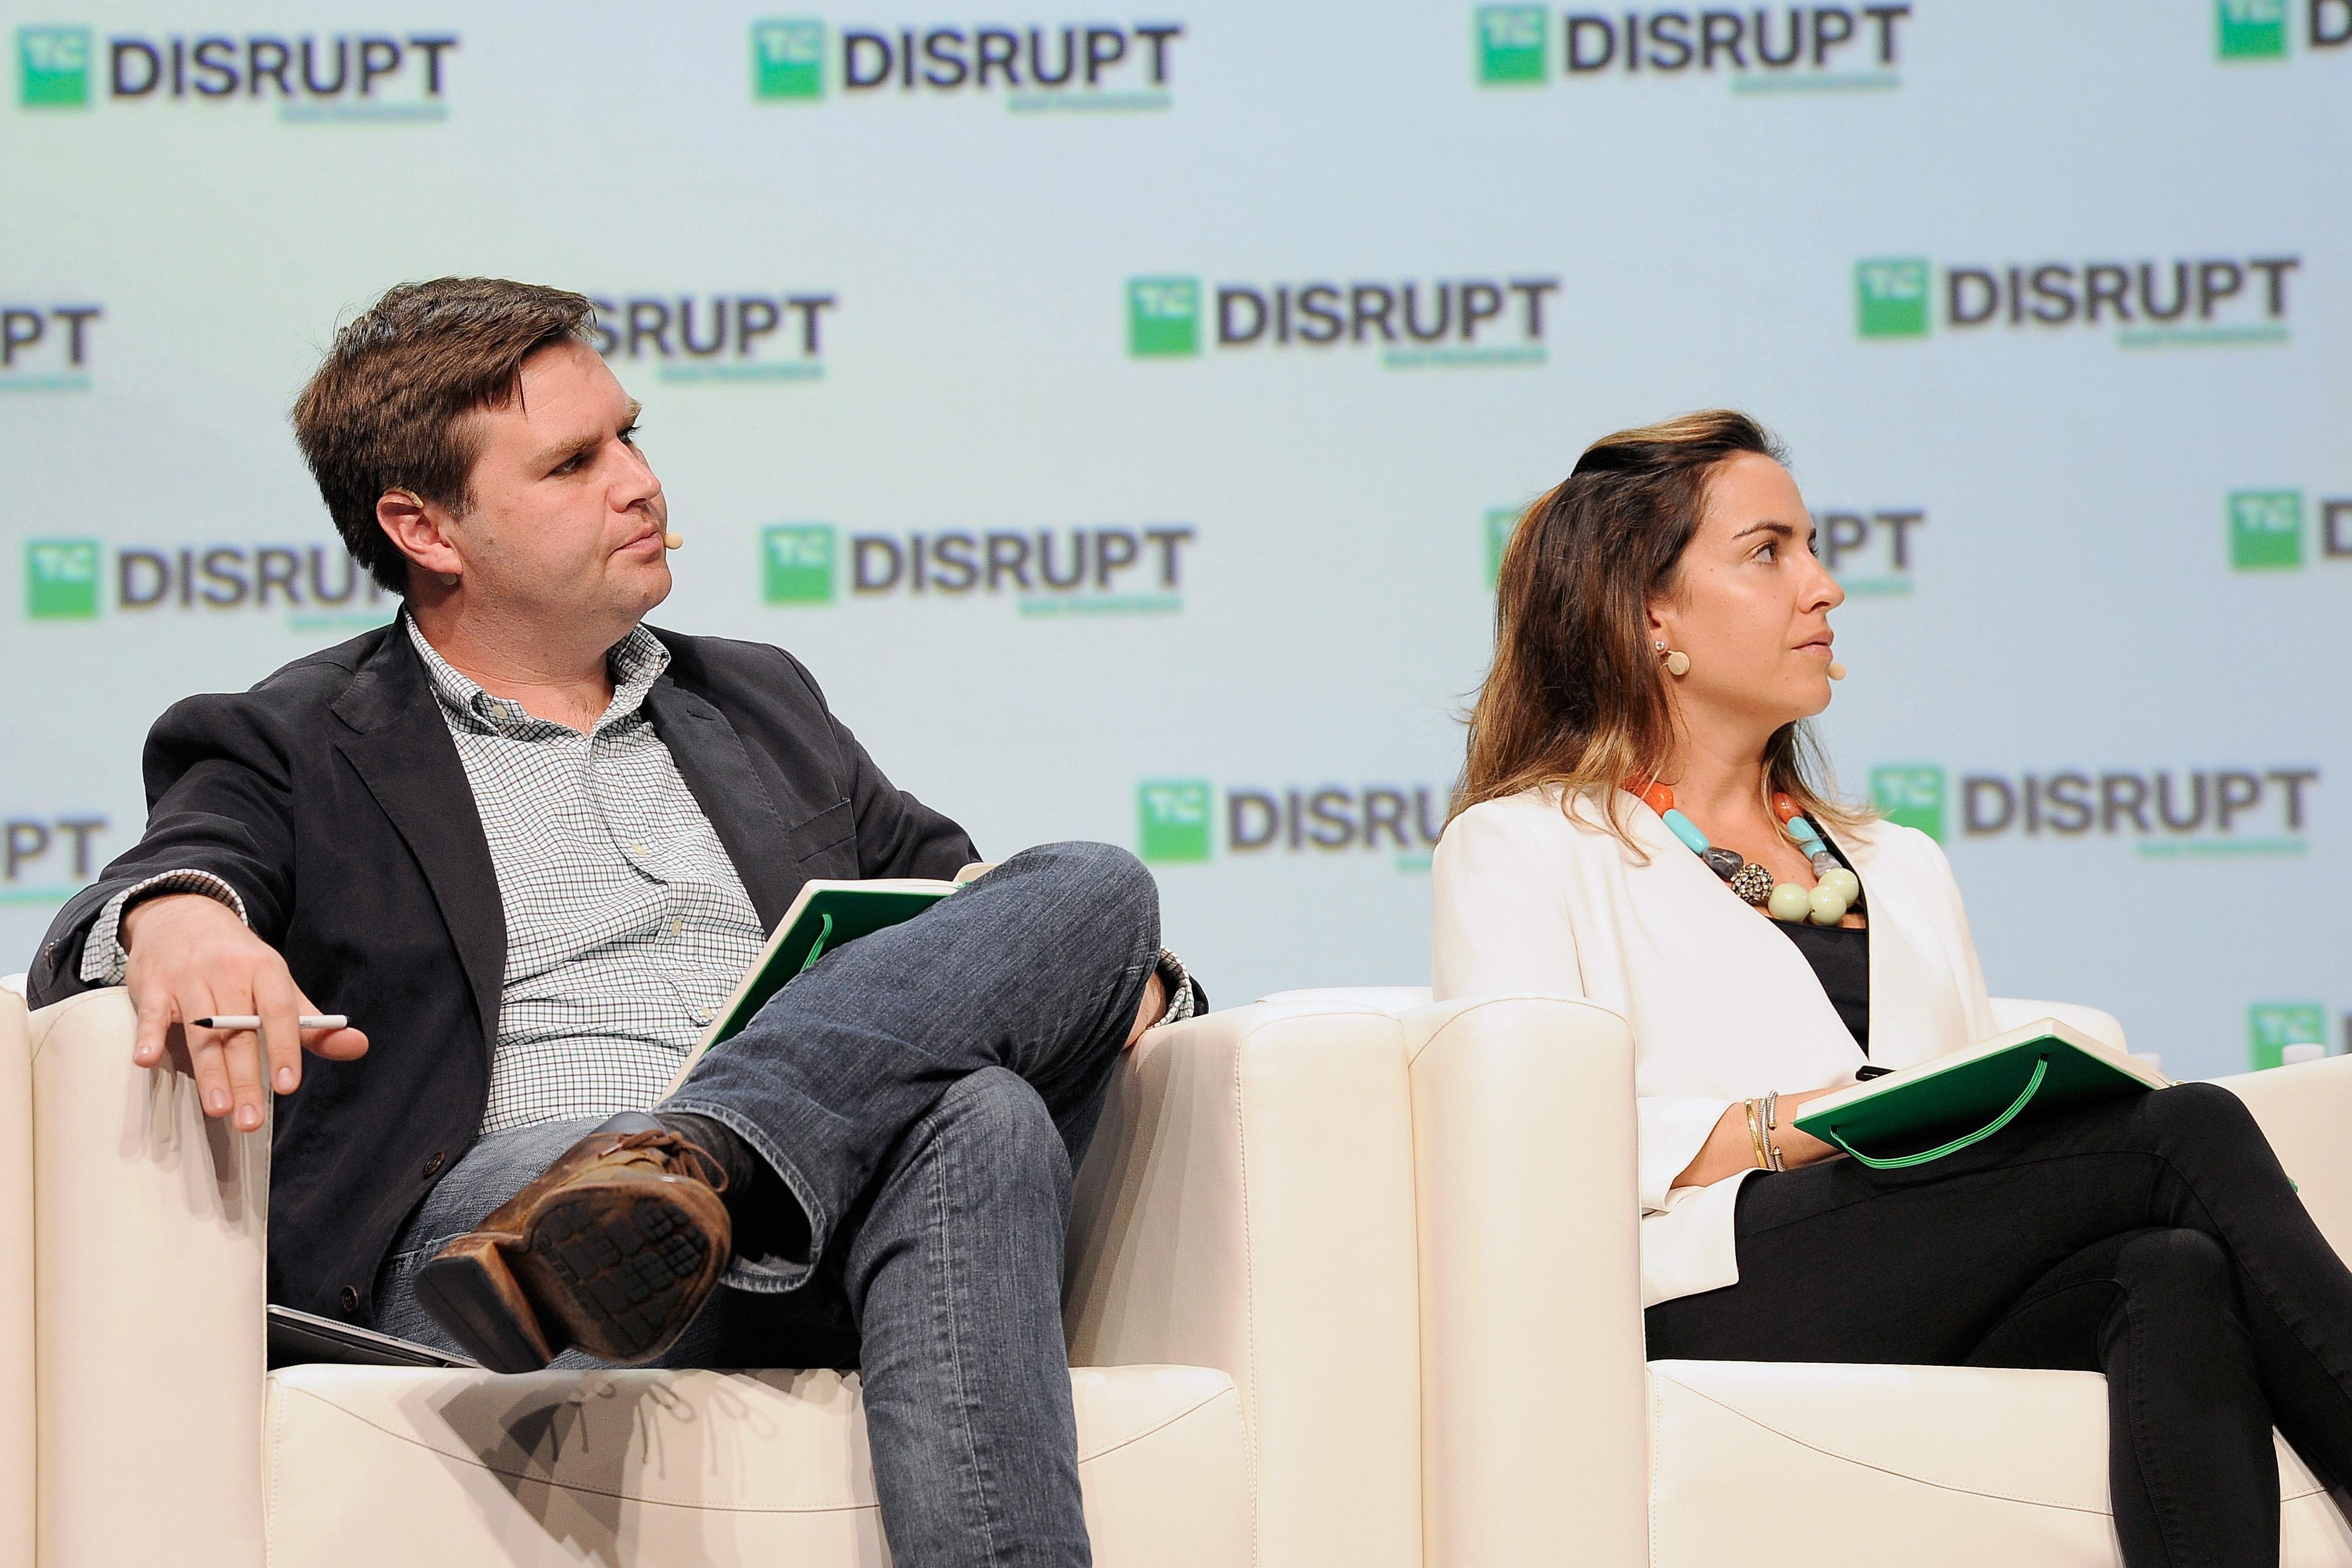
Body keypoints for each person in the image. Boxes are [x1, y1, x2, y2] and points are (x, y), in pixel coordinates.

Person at [26, 277, 1201, 1568]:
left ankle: (694, 1155)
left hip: (797, 1216)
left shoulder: (757, 701)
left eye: (631, 436)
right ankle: (644, 1185)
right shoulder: (293, 736)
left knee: (1092, 888)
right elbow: (136, 895)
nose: (637, 482)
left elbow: (960, 902)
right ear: (426, 527)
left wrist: (1121, 982)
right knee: (979, 1115)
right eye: (574, 462)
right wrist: (178, 915)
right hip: (502, 1232)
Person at [1429, 409, 2352, 1567]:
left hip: (1906, 1259)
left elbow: (1971, 1142)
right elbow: (1529, 1153)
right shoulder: (1524, 846)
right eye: (1768, 552)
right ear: (1648, 610)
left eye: (1813, 547)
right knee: (2183, 1134)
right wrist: (1795, 1126)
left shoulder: (1898, 860)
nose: (1823, 588)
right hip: (1707, 1279)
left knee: (2169, 1268)